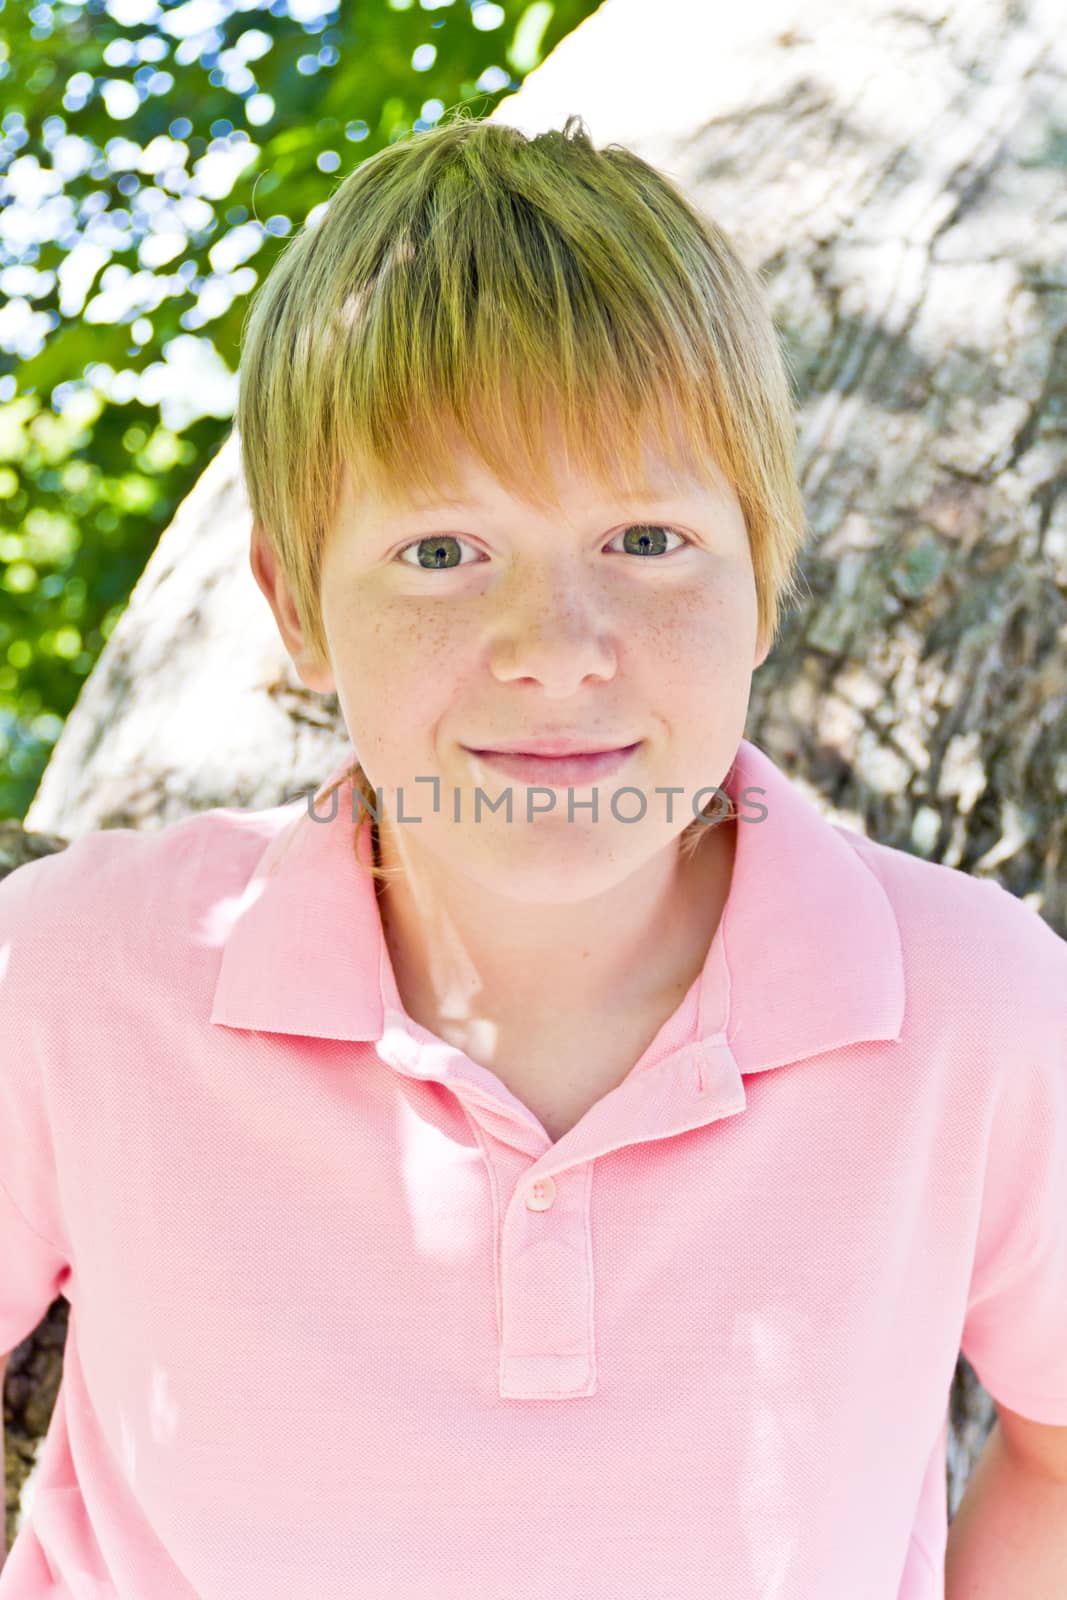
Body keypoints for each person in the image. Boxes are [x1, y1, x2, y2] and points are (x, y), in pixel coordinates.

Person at [2, 111, 1066, 1599]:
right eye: (442, 553)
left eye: (644, 539)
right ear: (297, 604)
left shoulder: (977, 1008)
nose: (557, 652)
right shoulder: (75, 984)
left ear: (764, 579)